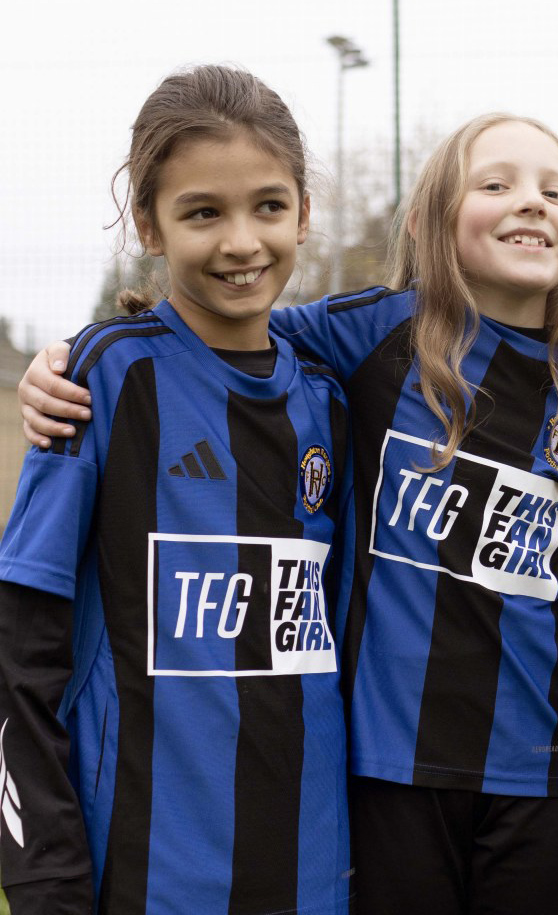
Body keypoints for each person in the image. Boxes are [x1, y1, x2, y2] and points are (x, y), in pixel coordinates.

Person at [17, 111, 558, 915]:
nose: (531, 203)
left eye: (555, 190)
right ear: (428, 222)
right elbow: (226, 334)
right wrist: (62, 360)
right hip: (390, 775)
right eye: (496, 184)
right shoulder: (373, 339)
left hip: (543, 772)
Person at [0, 65, 354, 913]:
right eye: (204, 212)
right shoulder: (105, 381)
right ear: (148, 226)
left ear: (304, 214)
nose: (242, 242)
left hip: (316, 871)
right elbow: (21, 656)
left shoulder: (332, 403)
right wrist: (44, 874)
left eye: (269, 206)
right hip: (145, 872)